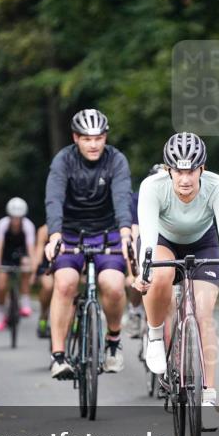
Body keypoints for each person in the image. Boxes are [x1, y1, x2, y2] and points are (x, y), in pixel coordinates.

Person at [133, 133, 219, 431]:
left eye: (191, 170)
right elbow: (146, 233)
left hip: (203, 243)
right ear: (169, 170)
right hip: (162, 240)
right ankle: (155, 337)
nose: (185, 178)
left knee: (204, 315)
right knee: (162, 275)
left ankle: (208, 398)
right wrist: (143, 271)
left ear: (202, 169)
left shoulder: (218, 186)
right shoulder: (152, 187)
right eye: (179, 171)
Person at [44, 108, 134, 379]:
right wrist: (55, 235)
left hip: (108, 233)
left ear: (105, 137)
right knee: (65, 283)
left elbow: (122, 197)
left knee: (114, 286)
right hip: (70, 233)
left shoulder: (116, 160)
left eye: (98, 138)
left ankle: (113, 341)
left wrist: (126, 233)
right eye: (86, 138)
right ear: (75, 138)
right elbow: (54, 198)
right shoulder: (63, 161)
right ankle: (58, 357)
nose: (93, 144)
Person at [124, 163, 165, 340]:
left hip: (166, 243)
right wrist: (132, 269)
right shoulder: (138, 198)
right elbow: (134, 235)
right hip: (145, 241)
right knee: (137, 279)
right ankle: (134, 310)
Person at [0, 197, 37, 331]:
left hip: (21, 254)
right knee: (1, 285)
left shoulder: (28, 225)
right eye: (13, 217)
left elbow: (31, 248)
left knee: (26, 265)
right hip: (6, 254)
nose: (16, 220)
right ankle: (1, 312)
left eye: (19, 217)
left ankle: (25, 301)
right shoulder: (2, 225)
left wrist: (32, 266)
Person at [33, 223, 53, 339]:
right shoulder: (44, 230)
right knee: (48, 286)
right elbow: (39, 252)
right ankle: (43, 317)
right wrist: (34, 272)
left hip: (66, 264)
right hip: (46, 267)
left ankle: (75, 324)